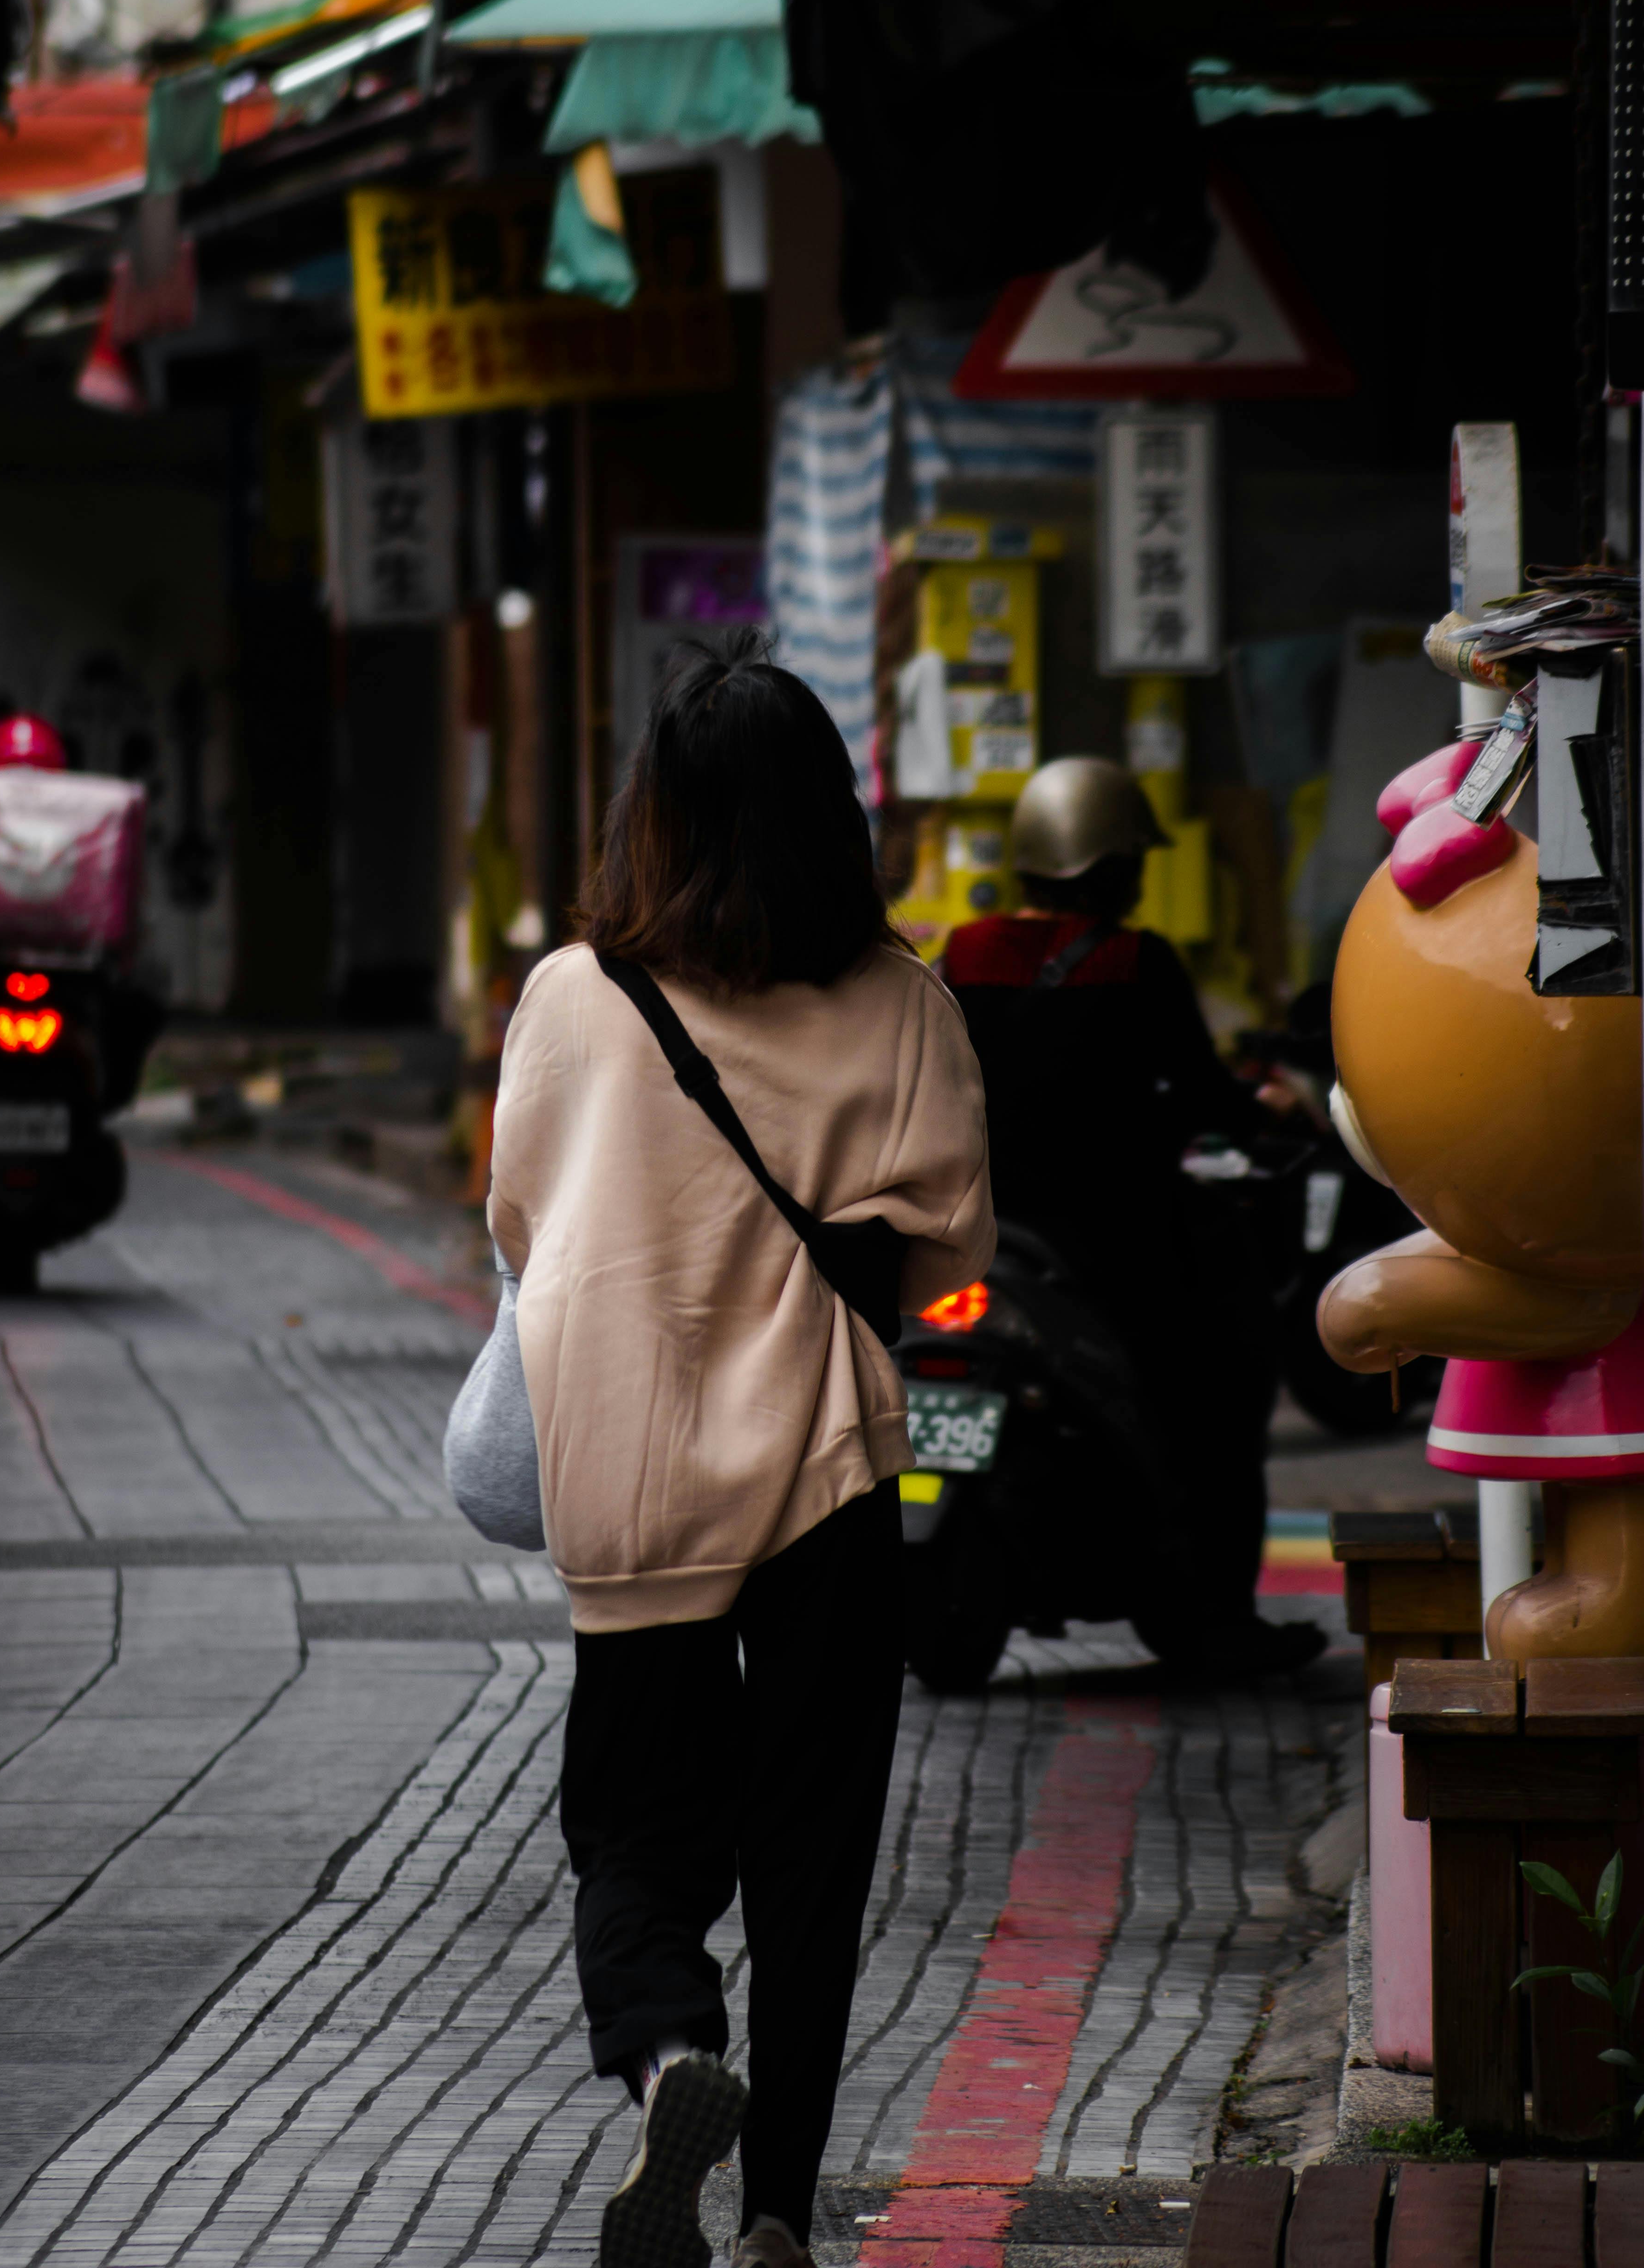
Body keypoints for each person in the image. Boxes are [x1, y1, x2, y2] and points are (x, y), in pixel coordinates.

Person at [488, 631, 993, 2268]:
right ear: (829, 818)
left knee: (634, 1834)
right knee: (813, 1856)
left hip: (629, 1482)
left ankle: (664, 2052)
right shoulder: (906, 1004)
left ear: (657, 814)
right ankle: (779, 2208)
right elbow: (944, 1251)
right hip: (829, 1482)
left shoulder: (575, 996)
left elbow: (515, 1217)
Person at [938, 754, 1323, 1680]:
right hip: (1117, 1246)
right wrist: (1265, 1110)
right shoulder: (1131, 961)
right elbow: (1199, 1098)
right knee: (1223, 1393)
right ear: (1106, 869)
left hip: (982, 1237)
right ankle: (1216, 1616)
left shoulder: (961, 954)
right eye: (1132, 862)